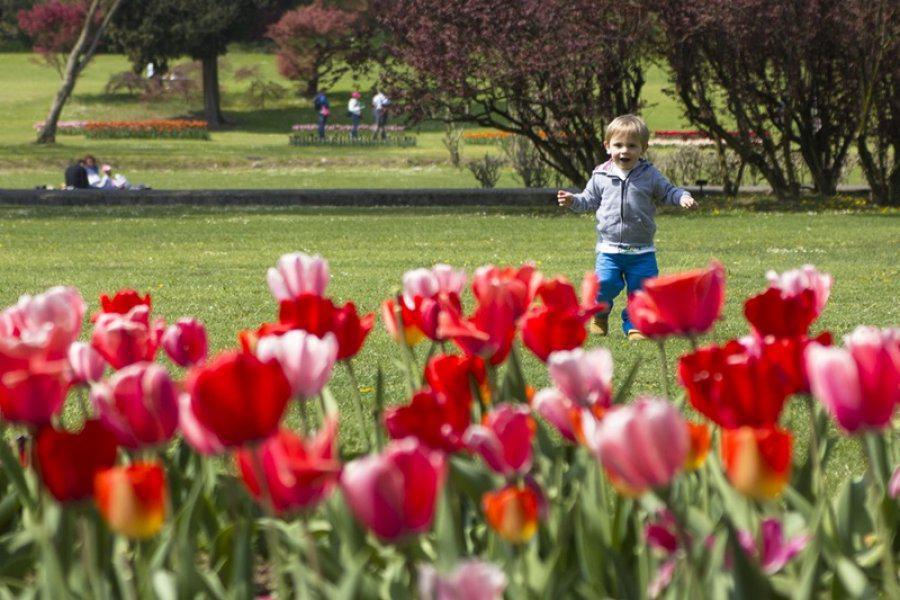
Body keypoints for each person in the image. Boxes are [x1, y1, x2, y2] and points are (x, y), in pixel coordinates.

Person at [557, 114, 695, 341]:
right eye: (618, 145)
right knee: (605, 284)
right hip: (609, 250)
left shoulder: (649, 176)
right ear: (607, 146)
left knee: (642, 291)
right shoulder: (600, 176)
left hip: (642, 251)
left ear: (644, 148)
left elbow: (669, 191)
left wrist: (682, 198)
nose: (624, 151)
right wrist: (573, 200)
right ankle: (600, 313)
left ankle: (634, 324)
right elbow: (587, 200)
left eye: (632, 146)